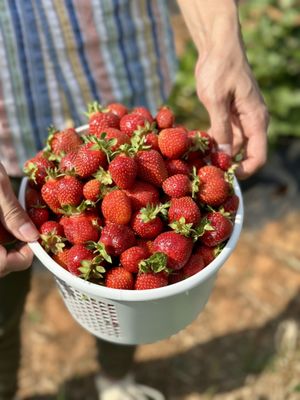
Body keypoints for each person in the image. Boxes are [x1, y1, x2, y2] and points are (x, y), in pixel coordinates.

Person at [0, 0, 269, 399]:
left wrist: (220, 38)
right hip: (8, 137)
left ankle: (116, 380)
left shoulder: (145, 164)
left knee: (128, 306)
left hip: (121, 83)